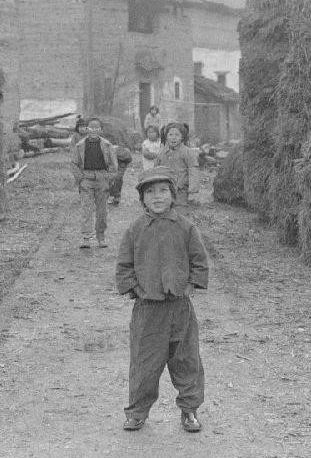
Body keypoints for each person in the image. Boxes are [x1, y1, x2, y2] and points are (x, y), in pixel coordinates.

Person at [115, 166, 210, 433]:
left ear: (172, 195)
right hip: (148, 311)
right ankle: (137, 412)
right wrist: (136, 289)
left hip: (180, 308)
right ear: (142, 198)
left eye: (163, 191)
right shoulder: (135, 230)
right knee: (144, 363)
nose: (157, 197)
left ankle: (189, 411)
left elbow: (199, 261)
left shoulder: (186, 228)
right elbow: (124, 266)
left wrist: (190, 285)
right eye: (150, 192)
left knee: (186, 360)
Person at [70, 117, 117, 248]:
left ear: (101, 130)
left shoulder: (107, 145)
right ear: (87, 129)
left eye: (97, 128)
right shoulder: (80, 145)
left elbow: (113, 165)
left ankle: (101, 237)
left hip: (102, 178)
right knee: (86, 209)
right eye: (91, 127)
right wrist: (81, 179)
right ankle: (86, 238)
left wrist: (108, 178)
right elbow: (73, 164)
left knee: (102, 211)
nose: (94, 130)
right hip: (86, 179)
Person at [156, 122, 200, 207]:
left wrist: (192, 192)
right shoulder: (162, 152)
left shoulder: (188, 152)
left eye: (177, 135)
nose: (173, 137)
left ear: (182, 137)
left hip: (181, 189)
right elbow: (156, 170)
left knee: (179, 208)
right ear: (166, 137)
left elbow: (193, 171)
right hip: (165, 188)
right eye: (170, 135)